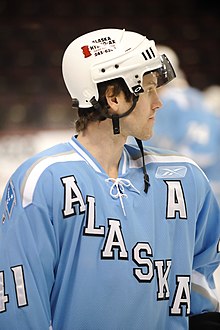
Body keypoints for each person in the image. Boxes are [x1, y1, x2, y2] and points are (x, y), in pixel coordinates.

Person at [0, 28, 219, 330]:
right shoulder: (41, 182)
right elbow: (19, 306)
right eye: (150, 89)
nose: (159, 102)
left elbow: (201, 279)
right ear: (114, 97)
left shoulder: (185, 177)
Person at [128, 45, 220, 206]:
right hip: (213, 190)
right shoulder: (197, 97)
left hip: (189, 194)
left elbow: (137, 156)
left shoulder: (164, 104)